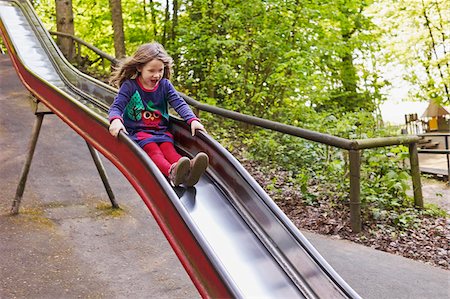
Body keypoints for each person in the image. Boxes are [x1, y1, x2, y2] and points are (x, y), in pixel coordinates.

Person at [108, 42, 209, 187]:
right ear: (139, 67)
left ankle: (189, 170)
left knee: (169, 149)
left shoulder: (165, 85)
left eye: (160, 70)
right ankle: (171, 172)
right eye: (151, 71)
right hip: (139, 133)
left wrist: (192, 120)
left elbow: (179, 103)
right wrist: (116, 120)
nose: (157, 75)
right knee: (154, 151)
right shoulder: (130, 86)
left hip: (161, 131)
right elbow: (116, 107)